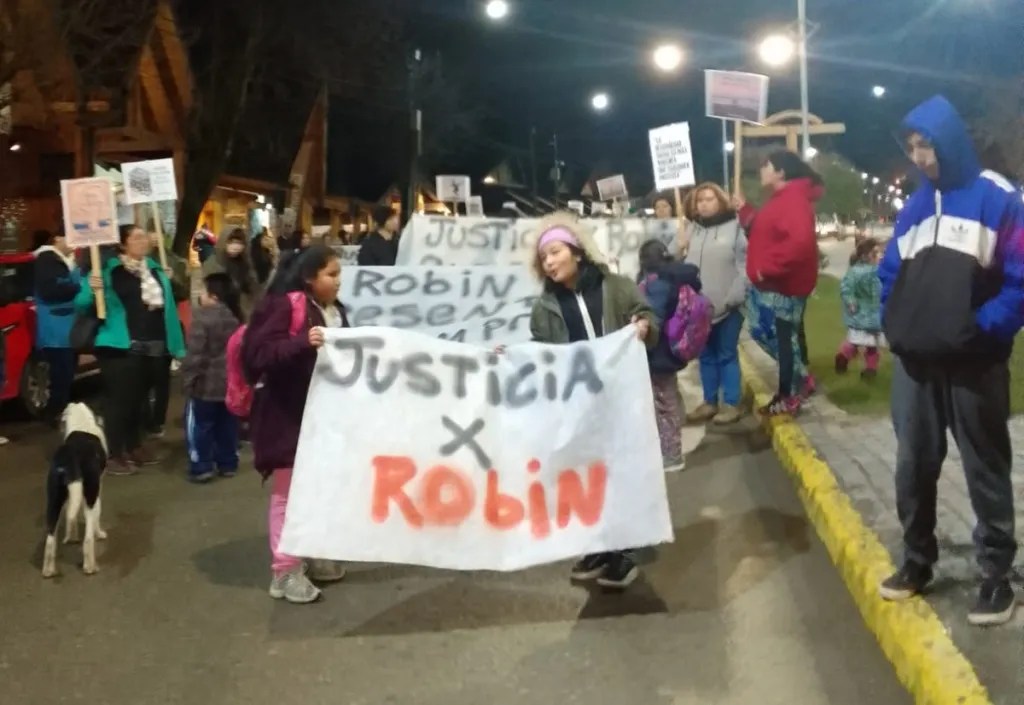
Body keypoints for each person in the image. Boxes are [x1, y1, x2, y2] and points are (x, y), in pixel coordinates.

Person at [876, 95, 1024, 626]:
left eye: (927, 145)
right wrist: (895, 322)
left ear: (951, 141)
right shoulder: (914, 207)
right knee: (913, 464)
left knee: (985, 465)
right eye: (911, 147)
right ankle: (917, 562)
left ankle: (995, 575)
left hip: (975, 362)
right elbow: (891, 273)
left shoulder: (999, 198)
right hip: (916, 364)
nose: (919, 157)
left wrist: (981, 329)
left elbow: (1020, 278)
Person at [528, 213, 658, 589]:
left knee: (621, 469)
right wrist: (516, 358)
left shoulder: (615, 287)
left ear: (577, 253)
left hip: (621, 398)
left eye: (554, 252)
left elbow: (646, 313)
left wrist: (644, 326)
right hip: (579, 405)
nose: (550, 262)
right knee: (589, 472)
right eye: (544, 258)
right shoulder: (545, 308)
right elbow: (542, 353)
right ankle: (600, 545)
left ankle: (622, 551)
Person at [243, 245, 349, 604]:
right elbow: (257, 355)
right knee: (288, 496)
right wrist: (302, 343)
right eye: (331, 274)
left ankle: (311, 550)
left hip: (324, 418)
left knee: (318, 488)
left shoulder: (335, 311)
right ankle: (285, 569)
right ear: (309, 277)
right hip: (287, 417)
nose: (338, 281)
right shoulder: (285, 307)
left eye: (339, 274)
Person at [75, 225, 186, 475]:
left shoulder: (155, 269)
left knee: (139, 401)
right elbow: (81, 304)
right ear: (123, 245)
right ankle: (115, 453)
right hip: (120, 347)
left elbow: (175, 300)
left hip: (154, 346)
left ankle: (134, 445)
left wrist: (172, 280)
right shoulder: (108, 271)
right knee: (119, 402)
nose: (143, 240)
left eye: (144, 236)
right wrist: (92, 288)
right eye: (136, 237)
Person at [736, 151, 822, 416]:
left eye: (766, 166)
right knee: (766, 332)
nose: (762, 171)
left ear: (781, 172)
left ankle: (789, 394)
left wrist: (765, 269)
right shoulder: (782, 199)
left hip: (784, 285)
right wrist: (745, 209)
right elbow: (765, 230)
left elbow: (800, 244)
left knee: (785, 341)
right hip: (773, 284)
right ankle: (801, 379)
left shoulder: (793, 199)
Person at [681, 183, 748, 425]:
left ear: (720, 200)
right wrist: (677, 245)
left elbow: (745, 264)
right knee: (706, 355)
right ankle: (710, 401)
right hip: (699, 309)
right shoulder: (691, 230)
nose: (704, 204)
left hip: (728, 306)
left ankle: (731, 402)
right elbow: (671, 258)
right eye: (700, 200)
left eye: (710, 199)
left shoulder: (736, 226)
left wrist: (735, 296)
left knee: (726, 353)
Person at [636, 239, 701, 471]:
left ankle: (672, 455)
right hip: (671, 348)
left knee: (663, 401)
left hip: (658, 350)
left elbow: (653, 316)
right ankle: (678, 422)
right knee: (669, 392)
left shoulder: (655, 284)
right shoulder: (675, 276)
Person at [181, 273, 243, 483]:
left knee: (201, 426)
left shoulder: (203, 318)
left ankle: (202, 466)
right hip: (230, 384)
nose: (201, 295)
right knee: (227, 425)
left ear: (214, 295)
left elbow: (195, 354)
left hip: (205, 385)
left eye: (204, 291)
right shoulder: (235, 318)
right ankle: (228, 463)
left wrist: (188, 379)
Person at [32, 229, 82, 425]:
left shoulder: (61, 260)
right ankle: (54, 412)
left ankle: (59, 410)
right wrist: (77, 285)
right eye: (70, 239)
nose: (74, 245)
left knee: (66, 373)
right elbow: (51, 290)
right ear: (57, 239)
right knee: (61, 373)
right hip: (56, 330)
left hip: (65, 329)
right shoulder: (47, 260)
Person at [835, 237, 883, 379]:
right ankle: (843, 358)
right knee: (856, 341)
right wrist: (851, 301)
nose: (879, 256)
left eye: (880, 253)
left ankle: (870, 369)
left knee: (872, 344)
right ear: (865, 256)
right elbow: (846, 288)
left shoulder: (879, 271)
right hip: (861, 313)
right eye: (875, 253)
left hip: (874, 315)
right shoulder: (856, 272)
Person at [202, 227, 260, 320]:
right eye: (231, 242)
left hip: (240, 314)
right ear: (224, 242)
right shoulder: (213, 263)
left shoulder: (244, 264)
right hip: (218, 316)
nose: (235, 246)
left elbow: (252, 290)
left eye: (239, 243)